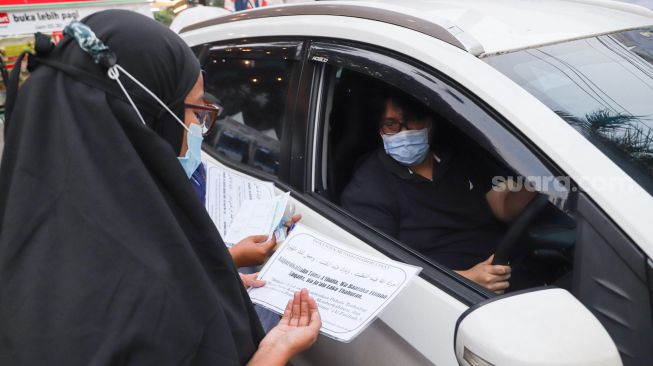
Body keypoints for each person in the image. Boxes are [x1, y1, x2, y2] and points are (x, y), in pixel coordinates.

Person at [0, 10, 319, 365]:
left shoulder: (31, 221)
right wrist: (275, 352)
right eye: (197, 111)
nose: (199, 129)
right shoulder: (146, 304)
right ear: (146, 116)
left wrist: (216, 274)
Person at [341, 92, 536, 293]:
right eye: (390, 124)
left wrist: (540, 179)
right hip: (451, 294)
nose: (403, 132)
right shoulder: (368, 186)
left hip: (513, 270)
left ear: (430, 123)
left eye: (412, 121)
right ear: (379, 129)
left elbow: (503, 206)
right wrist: (466, 280)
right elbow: (381, 272)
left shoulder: (460, 155)